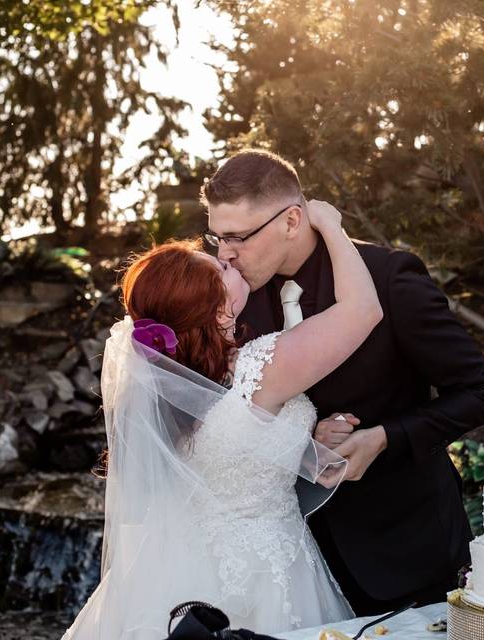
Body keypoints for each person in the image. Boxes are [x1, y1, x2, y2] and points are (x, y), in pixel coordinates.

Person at [62, 199, 380, 638]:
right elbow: (363, 311)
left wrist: (309, 440)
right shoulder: (258, 371)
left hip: (171, 573)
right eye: (221, 268)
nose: (229, 258)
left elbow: (233, 452)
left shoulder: (175, 388)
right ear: (219, 306)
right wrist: (329, 223)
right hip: (266, 572)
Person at [205, 149, 484, 615]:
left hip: (406, 551)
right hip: (291, 563)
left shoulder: (388, 278)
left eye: (237, 237)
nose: (225, 253)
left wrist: (385, 438)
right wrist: (304, 437)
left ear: (291, 220)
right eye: (217, 237)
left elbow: (482, 394)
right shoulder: (235, 296)